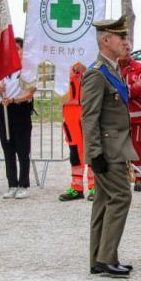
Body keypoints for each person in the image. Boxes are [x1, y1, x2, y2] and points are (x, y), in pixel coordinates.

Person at [82, 16, 138, 278]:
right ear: (106, 40)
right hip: (107, 149)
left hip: (114, 147)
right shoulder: (96, 74)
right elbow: (89, 117)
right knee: (121, 197)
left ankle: (99, 257)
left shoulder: (113, 70)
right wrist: (94, 153)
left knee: (104, 200)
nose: (125, 42)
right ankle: (106, 258)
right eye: (121, 37)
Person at [0, 38, 37, 199]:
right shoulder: (5, 70)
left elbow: (30, 92)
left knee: (22, 149)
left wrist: (14, 100)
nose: (15, 52)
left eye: (17, 49)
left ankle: (23, 184)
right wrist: (1, 90)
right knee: (8, 147)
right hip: (5, 110)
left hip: (21, 110)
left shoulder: (27, 71)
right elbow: (1, 90)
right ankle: (12, 183)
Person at [58, 62, 94, 202]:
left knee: (92, 148)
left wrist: (85, 70)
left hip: (89, 110)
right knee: (74, 151)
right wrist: (67, 73)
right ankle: (76, 187)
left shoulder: (92, 59)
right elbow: (55, 88)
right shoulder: (62, 62)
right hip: (70, 112)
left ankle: (94, 186)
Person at [119, 50, 141, 191]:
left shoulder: (140, 67)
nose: (124, 52)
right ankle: (123, 179)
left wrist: (121, 90)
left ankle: (140, 179)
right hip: (118, 115)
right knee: (119, 148)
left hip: (136, 115)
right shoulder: (113, 67)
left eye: (127, 49)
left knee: (137, 148)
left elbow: (138, 89)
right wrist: (129, 87)